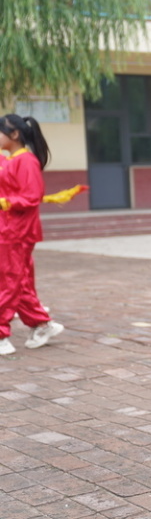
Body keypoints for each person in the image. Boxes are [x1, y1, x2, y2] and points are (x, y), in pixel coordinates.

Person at [0, 114, 65, 354]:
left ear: (14, 134)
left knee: (8, 281)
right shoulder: (8, 160)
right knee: (20, 281)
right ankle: (41, 324)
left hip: (17, 231)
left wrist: (5, 202)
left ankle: (1, 335)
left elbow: (31, 197)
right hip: (7, 229)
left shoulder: (26, 161)